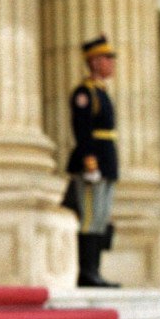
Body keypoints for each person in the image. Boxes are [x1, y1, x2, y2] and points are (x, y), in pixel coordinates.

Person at [63, 34, 120, 288]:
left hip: (106, 161)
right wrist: (90, 163)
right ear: (95, 62)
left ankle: (95, 271)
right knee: (89, 218)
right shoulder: (84, 93)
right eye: (107, 58)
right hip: (92, 162)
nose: (111, 63)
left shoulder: (101, 92)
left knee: (101, 218)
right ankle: (86, 274)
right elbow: (83, 130)